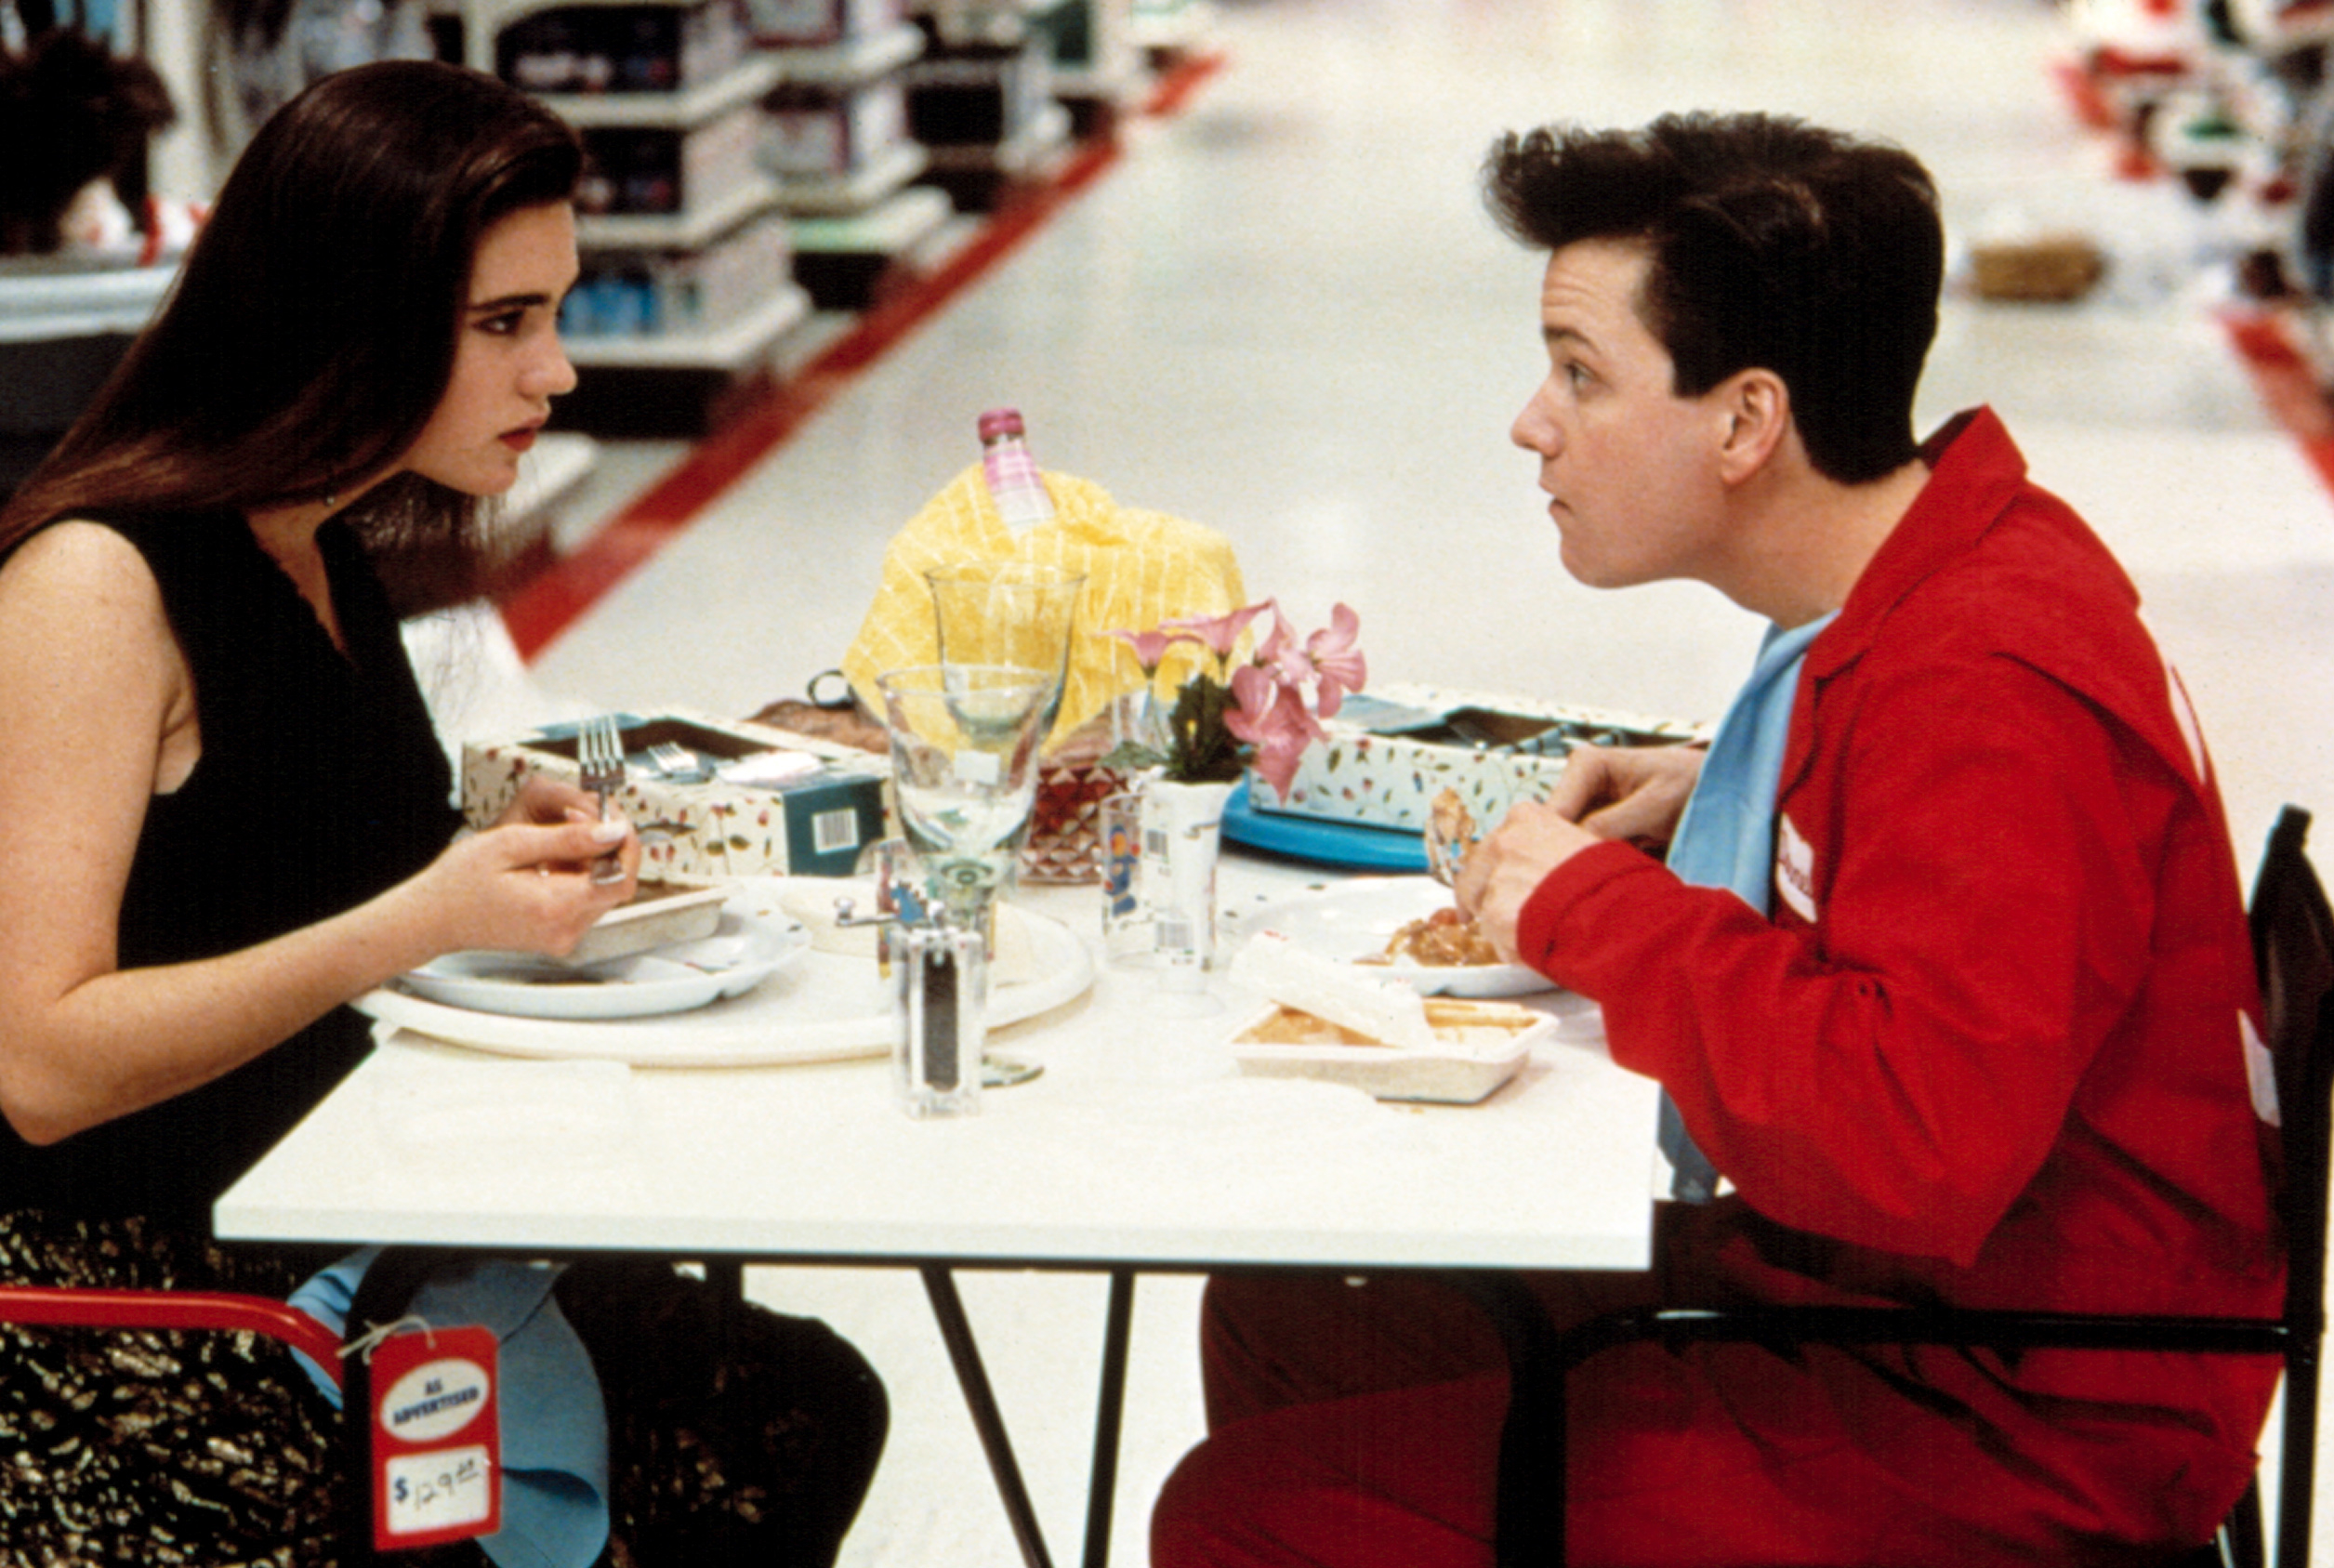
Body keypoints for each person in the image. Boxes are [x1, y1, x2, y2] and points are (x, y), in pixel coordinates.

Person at [1151, 112, 2283, 1567]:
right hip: (1911, 1305)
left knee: (1250, 1516)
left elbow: (1920, 1144)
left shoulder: (1987, 687)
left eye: (1580, 374)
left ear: (1748, 422)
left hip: (2016, 1408)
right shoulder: (1943, 572)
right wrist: (1736, 783)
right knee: (1296, 1310)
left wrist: (1593, 909)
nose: (1531, 423)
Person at [0, 59, 884, 1565]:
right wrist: (422, 916)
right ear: (346, 315)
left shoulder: (318, 541)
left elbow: (273, 865)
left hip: (333, 1221)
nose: (560, 374)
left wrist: (504, 841)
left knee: (794, 1402)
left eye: (556, 313)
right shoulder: (95, 585)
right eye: (504, 324)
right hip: (134, 1307)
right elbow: (39, 1064)